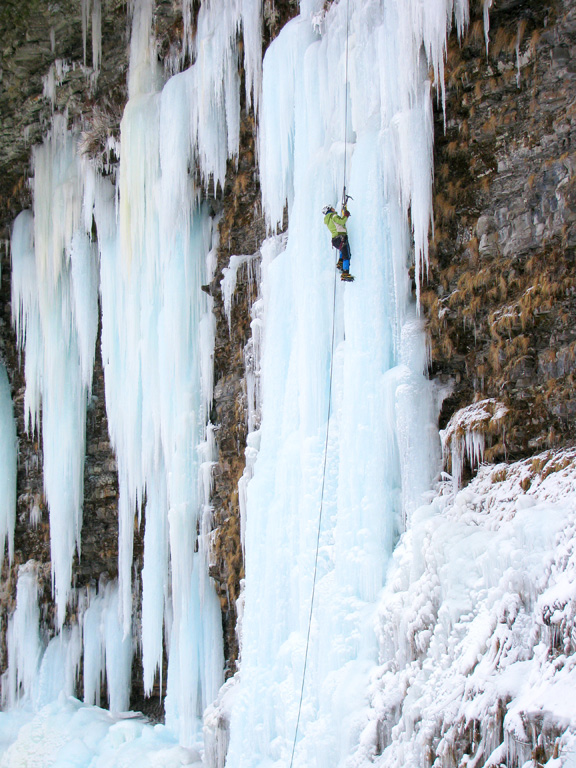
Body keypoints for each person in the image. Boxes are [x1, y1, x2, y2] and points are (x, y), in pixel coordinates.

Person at [322, 205, 354, 281]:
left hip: (335, 240)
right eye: (332, 208)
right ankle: (345, 273)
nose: (334, 208)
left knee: (342, 250)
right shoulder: (333, 216)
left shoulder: (328, 220)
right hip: (341, 237)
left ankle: (340, 262)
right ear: (330, 210)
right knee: (346, 255)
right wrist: (346, 215)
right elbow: (342, 222)